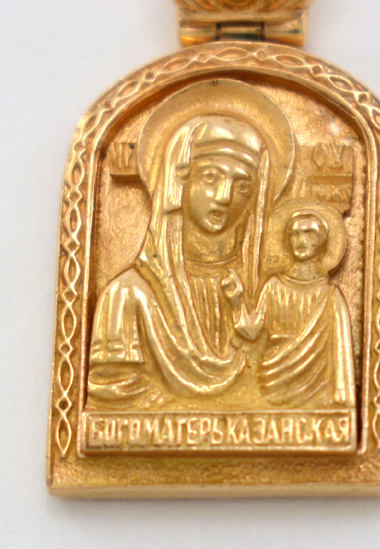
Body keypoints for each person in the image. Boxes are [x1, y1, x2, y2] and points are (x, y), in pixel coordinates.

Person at [87, 80, 294, 408]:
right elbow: (109, 403)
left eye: (243, 186)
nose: (225, 197)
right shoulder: (127, 296)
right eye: (210, 177)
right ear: (179, 182)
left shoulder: (266, 297)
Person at [239, 201, 356, 409]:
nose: (301, 241)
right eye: (295, 235)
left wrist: (341, 397)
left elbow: (341, 352)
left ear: (322, 242)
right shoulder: (273, 286)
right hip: (273, 378)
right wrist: (236, 301)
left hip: (316, 385)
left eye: (310, 234)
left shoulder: (330, 295)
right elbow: (251, 331)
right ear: (287, 241)